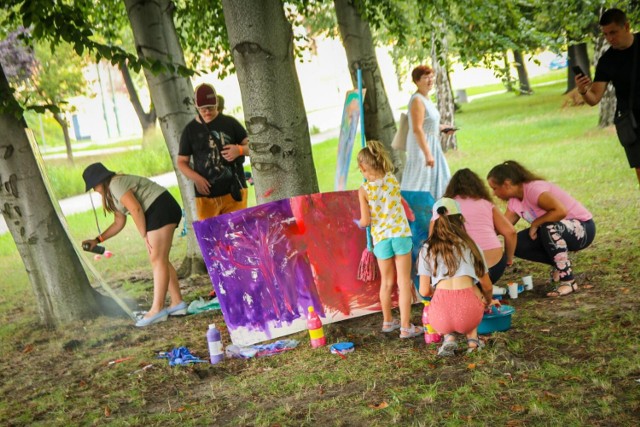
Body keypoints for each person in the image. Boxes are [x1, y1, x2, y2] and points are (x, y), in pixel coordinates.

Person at [81, 163, 186, 327]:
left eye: (94, 185)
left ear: (100, 180)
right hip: (157, 210)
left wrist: (144, 235)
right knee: (160, 259)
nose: (94, 190)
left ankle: (157, 310)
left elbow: (136, 209)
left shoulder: (116, 184)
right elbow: (119, 222)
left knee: (157, 259)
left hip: (160, 208)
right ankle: (177, 303)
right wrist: (97, 240)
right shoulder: (112, 193)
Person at [486, 160, 596, 297]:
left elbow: (560, 211)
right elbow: (504, 227)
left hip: (583, 228)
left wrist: (536, 223)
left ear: (507, 184)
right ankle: (561, 265)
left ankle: (569, 282)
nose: (494, 194)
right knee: (517, 243)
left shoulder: (533, 189)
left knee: (547, 227)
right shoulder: (515, 200)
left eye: (495, 188)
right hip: (555, 231)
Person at [355, 140, 422, 339]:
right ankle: (405, 327)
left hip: (382, 240)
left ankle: (387, 321)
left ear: (363, 168)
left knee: (386, 282)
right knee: (403, 282)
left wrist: (359, 222)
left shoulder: (363, 190)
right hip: (400, 235)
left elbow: (366, 221)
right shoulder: (393, 180)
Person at [418, 198, 499, 356]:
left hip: (440, 318)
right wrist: (487, 301)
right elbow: (487, 286)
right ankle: (472, 339)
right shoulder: (471, 246)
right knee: (473, 289)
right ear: (460, 219)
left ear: (434, 222)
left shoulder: (427, 249)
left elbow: (424, 290)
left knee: (448, 300)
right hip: (469, 314)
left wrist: (442, 295)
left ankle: (449, 338)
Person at [576, 8, 640, 187]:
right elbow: (594, 97)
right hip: (633, 123)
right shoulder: (607, 60)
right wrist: (583, 90)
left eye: (613, 32)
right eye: (605, 34)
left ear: (626, 26)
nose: (610, 38)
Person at [178, 83, 250, 221]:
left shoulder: (230, 123)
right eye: (202, 109)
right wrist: (196, 178)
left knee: (238, 236)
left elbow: (253, 148)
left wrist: (240, 150)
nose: (207, 112)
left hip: (235, 192)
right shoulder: (190, 130)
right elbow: (181, 162)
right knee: (212, 240)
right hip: (206, 197)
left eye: (210, 108)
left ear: (217, 102)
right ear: (196, 106)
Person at [439, 168, 517, 284]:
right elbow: (510, 232)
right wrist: (509, 258)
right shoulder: (486, 203)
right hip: (494, 267)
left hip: (460, 272)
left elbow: (433, 237)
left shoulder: (444, 205)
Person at [400, 64, 454, 200]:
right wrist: (427, 154)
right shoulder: (417, 100)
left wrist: (442, 128)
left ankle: (439, 213)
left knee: (440, 180)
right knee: (420, 183)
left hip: (432, 144)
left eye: (431, 77)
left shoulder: (426, 98)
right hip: (422, 147)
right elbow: (417, 129)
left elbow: (427, 123)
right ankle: (419, 214)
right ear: (417, 81)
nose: (430, 80)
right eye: (425, 77)